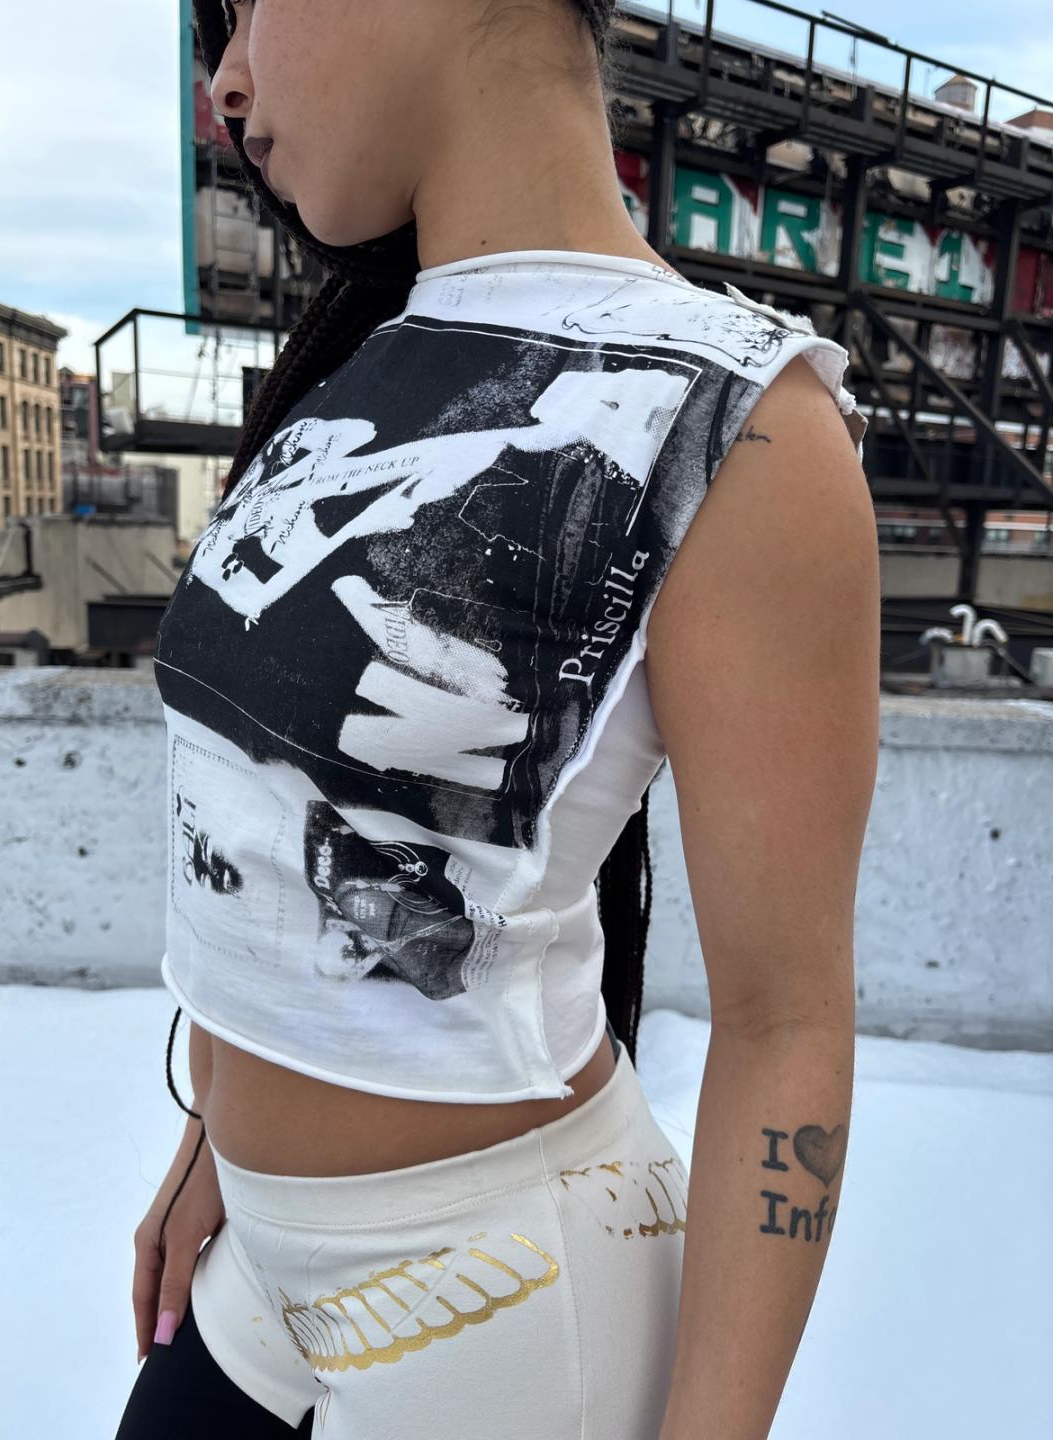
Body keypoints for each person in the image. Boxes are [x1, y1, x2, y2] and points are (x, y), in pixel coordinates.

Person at [115, 2, 880, 1437]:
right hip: (256, 1261)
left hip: (509, 1305)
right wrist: (218, 1127)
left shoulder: (748, 423)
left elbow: (785, 1021)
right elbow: (270, 815)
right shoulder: (361, 358)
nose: (227, 81)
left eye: (251, 7)